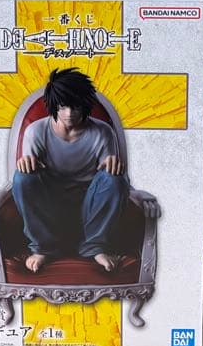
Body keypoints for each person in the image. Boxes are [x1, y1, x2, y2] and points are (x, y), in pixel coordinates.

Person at [12, 68, 128, 273]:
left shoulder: (102, 132)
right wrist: (26, 163)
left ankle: (95, 247)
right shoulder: (36, 131)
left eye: (76, 106)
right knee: (23, 177)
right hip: (51, 205)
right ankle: (43, 248)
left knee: (115, 179)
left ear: (85, 105)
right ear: (53, 104)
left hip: (89, 206)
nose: (69, 113)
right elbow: (30, 178)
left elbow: (108, 182)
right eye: (63, 106)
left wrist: (113, 166)